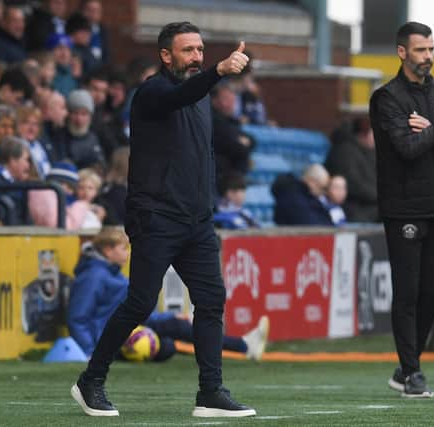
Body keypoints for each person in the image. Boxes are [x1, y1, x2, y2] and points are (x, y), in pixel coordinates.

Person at [70, 21, 256, 418]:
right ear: (166, 56)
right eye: (187, 50)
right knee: (139, 303)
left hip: (197, 220)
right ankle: (91, 381)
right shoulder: (151, 92)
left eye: (200, 50)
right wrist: (217, 73)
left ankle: (210, 392)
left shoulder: (202, 95)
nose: (196, 57)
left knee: (211, 301)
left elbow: (202, 143)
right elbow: (183, 93)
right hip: (156, 216)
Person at [369, 22, 434, 398]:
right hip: (404, 209)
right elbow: (407, 150)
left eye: (431, 49)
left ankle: (405, 367)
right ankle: (413, 373)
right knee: (408, 292)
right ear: (402, 53)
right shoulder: (387, 98)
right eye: (420, 50)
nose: (428, 56)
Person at [68, 228, 269, 361]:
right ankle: (243, 346)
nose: (128, 253)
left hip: (131, 328)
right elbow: (78, 317)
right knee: (167, 347)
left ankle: (242, 345)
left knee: (176, 326)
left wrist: (167, 316)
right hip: (113, 338)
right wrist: (90, 352)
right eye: (123, 248)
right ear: (107, 250)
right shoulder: (94, 276)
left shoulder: (110, 273)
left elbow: (132, 311)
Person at [325, 117, 379, 222]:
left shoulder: (368, 151)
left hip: (371, 205)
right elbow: (353, 184)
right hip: (353, 208)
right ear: (364, 134)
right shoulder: (344, 152)